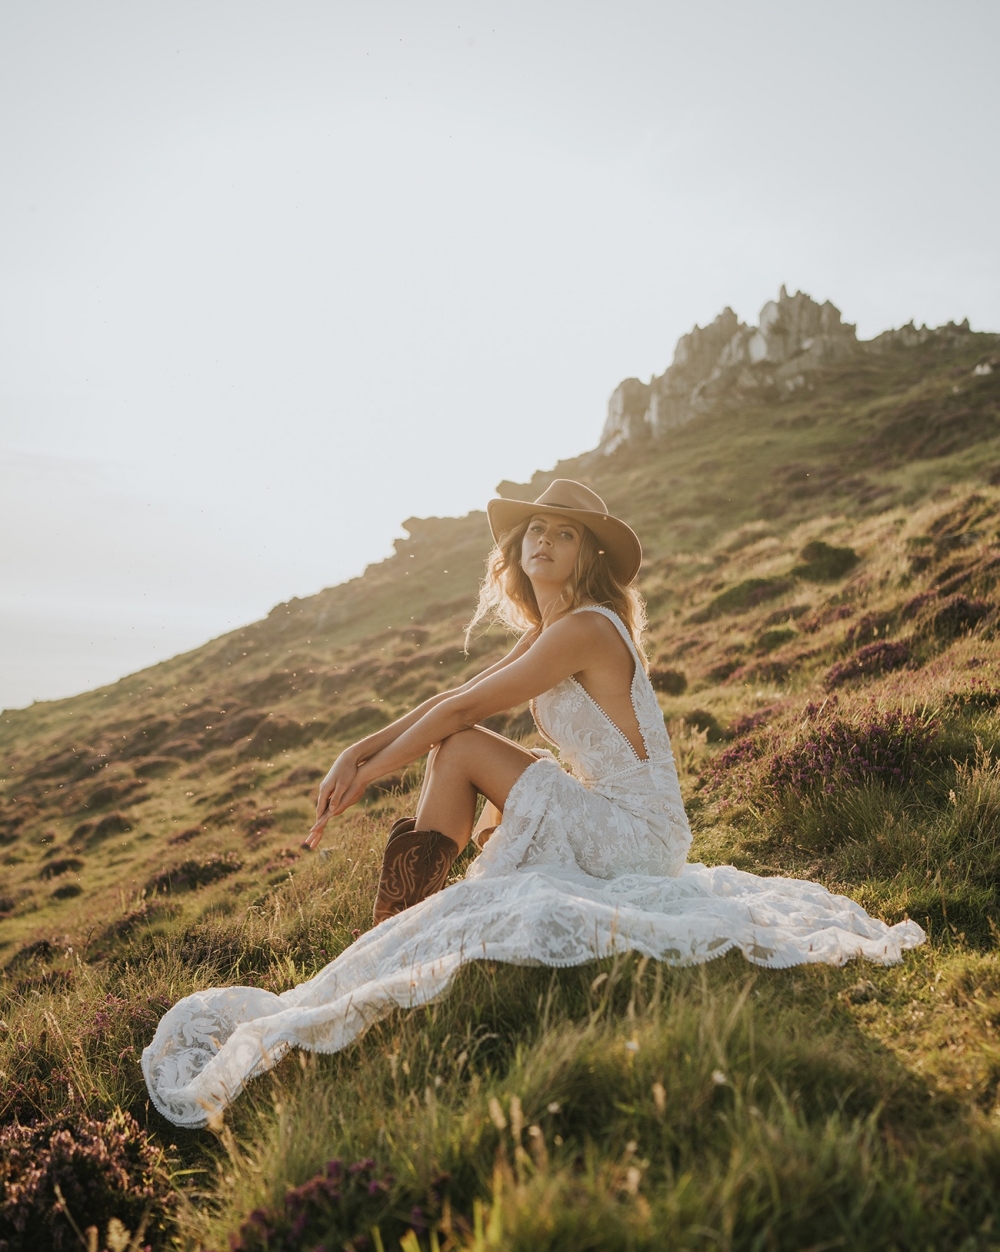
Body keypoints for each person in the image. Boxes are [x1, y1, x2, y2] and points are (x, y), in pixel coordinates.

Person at [142, 481, 924, 1128]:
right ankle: (393, 943)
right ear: (515, 553)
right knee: (461, 744)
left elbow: (458, 719)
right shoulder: (552, 627)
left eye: (565, 534)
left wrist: (371, 770)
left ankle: (391, 944)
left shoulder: (585, 626)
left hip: (639, 833)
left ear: (588, 556)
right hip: (617, 820)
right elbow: (453, 695)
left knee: (463, 748)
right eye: (534, 531)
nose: (543, 541)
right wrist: (360, 747)